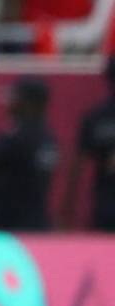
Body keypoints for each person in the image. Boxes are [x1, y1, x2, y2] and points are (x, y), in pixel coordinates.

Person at [0, 77, 58, 231]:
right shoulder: (50, 139)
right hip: (38, 223)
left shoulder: (13, 137)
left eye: (14, 97)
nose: (10, 102)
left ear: (29, 102)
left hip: (7, 224)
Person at [65, 57, 115, 231]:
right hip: (105, 205)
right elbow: (76, 166)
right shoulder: (95, 118)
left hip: (105, 206)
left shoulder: (95, 117)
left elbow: (76, 169)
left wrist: (67, 211)